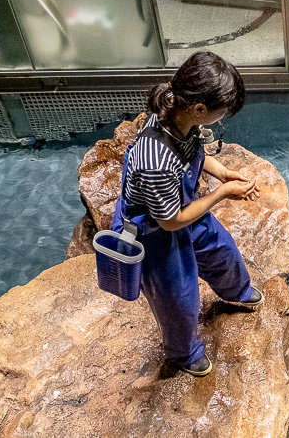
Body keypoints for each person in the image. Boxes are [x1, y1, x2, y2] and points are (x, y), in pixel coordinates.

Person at [111, 51, 263, 377]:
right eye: (220, 113)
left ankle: (235, 291)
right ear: (199, 109)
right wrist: (222, 193)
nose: (221, 119)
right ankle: (182, 352)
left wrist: (222, 172)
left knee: (221, 249)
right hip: (155, 230)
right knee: (178, 300)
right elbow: (171, 221)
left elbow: (193, 152)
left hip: (179, 207)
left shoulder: (177, 110)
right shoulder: (155, 160)